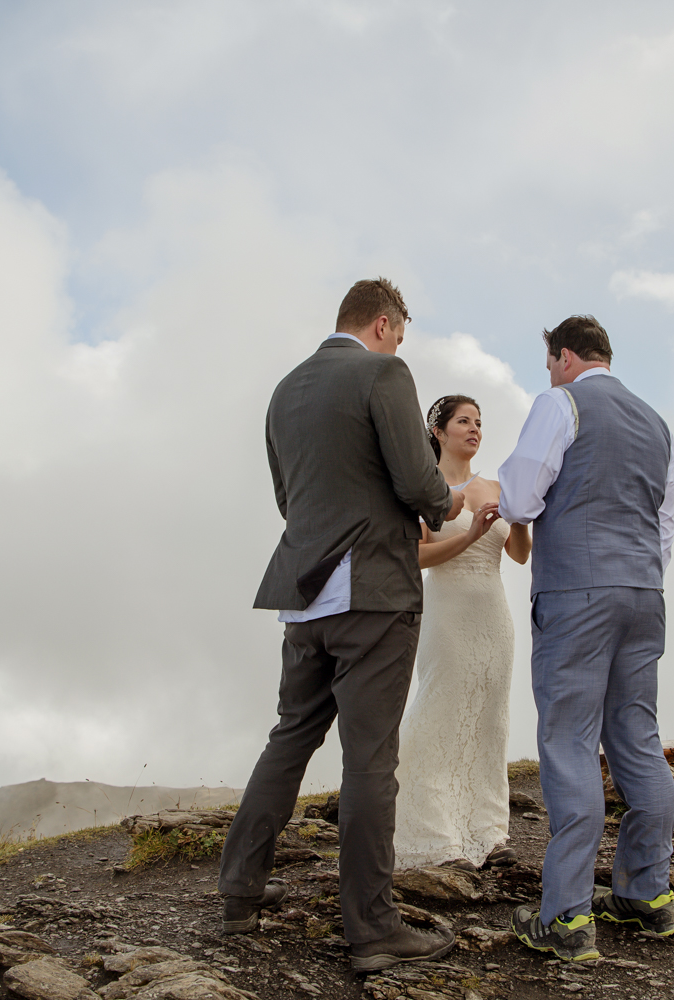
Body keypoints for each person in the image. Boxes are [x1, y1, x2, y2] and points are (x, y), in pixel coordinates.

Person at [219, 277, 465, 973]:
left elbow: (284, 497)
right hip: (373, 594)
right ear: (385, 324)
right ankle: (373, 930)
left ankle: (238, 894)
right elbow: (421, 485)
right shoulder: (384, 372)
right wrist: (446, 502)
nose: (400, 345)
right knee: (370, 763)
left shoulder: (284, 390)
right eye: (402, 334)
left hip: (304, 594)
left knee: (288, 741)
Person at [497, 315, 674, 962]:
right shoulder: (658, 424)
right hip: (645, 594)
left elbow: (520, 500)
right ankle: (648, 896)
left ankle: (568, 918)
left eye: (550, 362)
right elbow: (663, 524)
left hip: (578, 591)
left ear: (566, 356)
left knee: (569, 740)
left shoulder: (561, 402)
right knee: (637, 735)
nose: (549, 373)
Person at [392, 394, 531, 870]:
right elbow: (416, 557)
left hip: (494, 615)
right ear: (439, 431)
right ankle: (433, 834)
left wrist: (522, 520)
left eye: (478, 422)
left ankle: (490, 833)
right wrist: (469, 536)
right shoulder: (422, 492)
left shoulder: (495, 486)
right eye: (463, 421)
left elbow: (518, 554)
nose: (474, 429)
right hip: (447, 616)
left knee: (489, 721)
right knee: (441, 713)